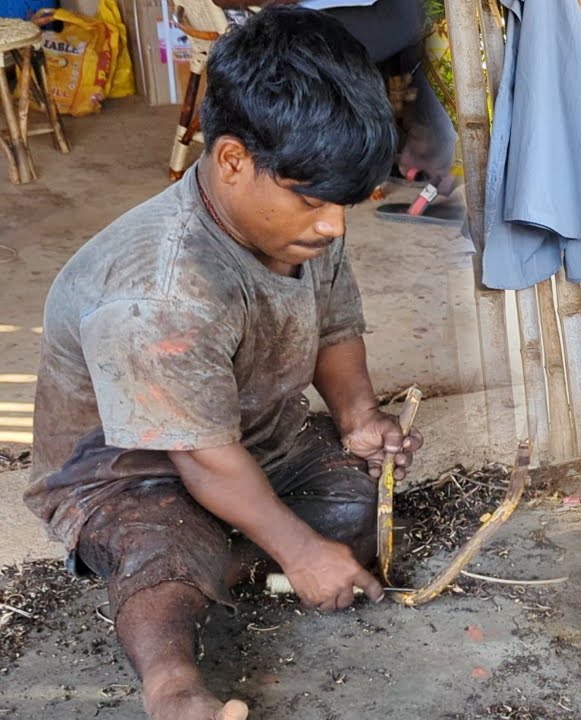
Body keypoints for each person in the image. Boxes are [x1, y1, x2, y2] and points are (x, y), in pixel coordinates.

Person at [24, 8, 422, 720]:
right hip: (128, 469)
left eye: (342, 204)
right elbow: (202, 460)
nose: (332, 225)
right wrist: (299, 552)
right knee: (167, 548)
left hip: (256, 440)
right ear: (234, 161)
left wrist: (359, 417)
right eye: (312, 201)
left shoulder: (306, 224)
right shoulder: (163, 288)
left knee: (354, 504)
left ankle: (226, 557)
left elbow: (334, 325)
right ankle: (174, 691)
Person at [216, 0, 459, 197]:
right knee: (408, 24)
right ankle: (419, 147)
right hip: (293, 23)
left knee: (415, 22)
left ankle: (421, 145)